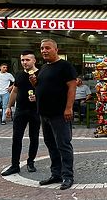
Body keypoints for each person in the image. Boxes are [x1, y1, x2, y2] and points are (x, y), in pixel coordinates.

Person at [29, 39, 77, 190]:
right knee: (51, 145)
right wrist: (34, 83)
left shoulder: (65, 66)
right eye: (42, 48)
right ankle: (56, 173)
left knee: (63, 144)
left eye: (47, 48)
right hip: (44, 114)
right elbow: (42, 87)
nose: (44, 51)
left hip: (59, 113)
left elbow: (72, 87)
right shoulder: (43, 67)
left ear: (56, 50)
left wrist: (68, 108)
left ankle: (68, 176)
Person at [2, 50, 40, 176]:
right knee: (16, 138)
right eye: (22, 60)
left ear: (34, 60)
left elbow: (46, 91)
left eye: (27, 60)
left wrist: (38, 97)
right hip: (20, 110)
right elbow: (14, 91)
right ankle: (14, 165)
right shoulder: (19, 74)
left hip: (35, 110)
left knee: (34, 137)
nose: (24, 62)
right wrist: (9, 107)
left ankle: (30, 162)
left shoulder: (40, 73)